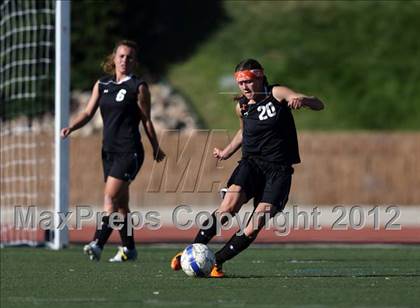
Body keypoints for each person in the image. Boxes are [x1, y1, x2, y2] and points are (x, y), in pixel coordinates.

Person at [170, 58, 324, 277]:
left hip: (278, 170)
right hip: (251, 164)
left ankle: (217, 262)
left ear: (260, 78)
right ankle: (190, 251)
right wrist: (226, 152)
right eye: (240, 83)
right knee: (228, 207)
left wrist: (302, 100)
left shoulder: (276, 93)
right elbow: (244, 132)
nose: (244, 87)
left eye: (249, 82)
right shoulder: (241, 106)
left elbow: (319, 104)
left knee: (255, 223)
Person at [61, 40, 165, 262]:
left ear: (135, 62)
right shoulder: (102, 84)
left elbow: (146, 120)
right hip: (108, 152)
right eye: (121, 56)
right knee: (121, 206)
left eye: (129, 57)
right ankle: (129, 249)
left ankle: (97, 243)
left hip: (130, 151)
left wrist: (156, 147)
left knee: (110, 197)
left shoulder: (138, 87)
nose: (125, 60)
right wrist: (72, 126)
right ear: (114, 58)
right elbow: (88, 112)